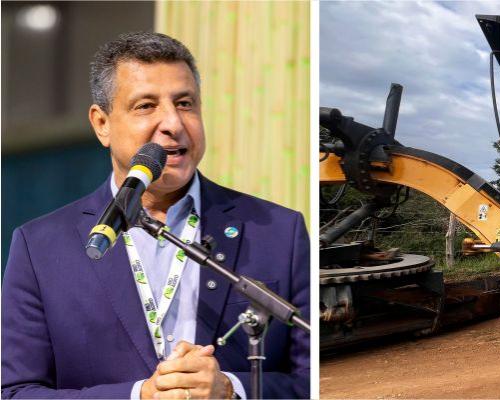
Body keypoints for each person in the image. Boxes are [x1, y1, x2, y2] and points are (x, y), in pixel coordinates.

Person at [2, 32, 309, 399]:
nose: (173, 123)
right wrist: (137, 396)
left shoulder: (279, 231)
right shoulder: (40, 247)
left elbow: (311, 381)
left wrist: (232, 389)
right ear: (102, 124)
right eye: (146, 106)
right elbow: (16, 392)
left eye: (185, 103)